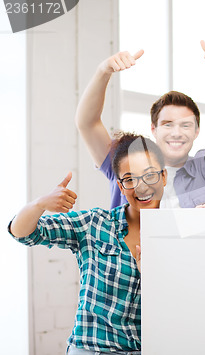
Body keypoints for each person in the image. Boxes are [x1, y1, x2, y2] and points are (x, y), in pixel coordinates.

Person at [8, 133, 165, 354]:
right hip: (91, 349)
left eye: (150, 175)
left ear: (164, 177)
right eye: (129, 179)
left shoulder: (177, 237)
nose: (141, 187)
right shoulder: (94, 224)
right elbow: (21, 232)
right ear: (120, 186)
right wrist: (40, 203)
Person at [76, 41, 205, 208]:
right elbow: (87, 123)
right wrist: (103, 72)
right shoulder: (125, 163)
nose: (176, 133)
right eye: (168, 125)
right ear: (154, 129)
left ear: (197, 131)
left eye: (185, 125)